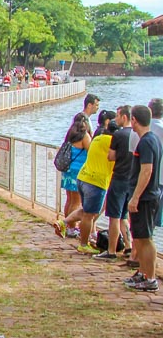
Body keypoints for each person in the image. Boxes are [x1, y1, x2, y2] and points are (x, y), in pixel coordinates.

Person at [59, 121, 115, 252]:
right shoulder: (101, 140)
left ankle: (65, 223)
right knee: (88, 213)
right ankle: (82, 242)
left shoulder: (96, 138)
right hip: (94, 180)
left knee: (79, 205)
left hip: (81, 175)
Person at [124, 105, 162, 292]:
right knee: (139, 236)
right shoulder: (151, 139)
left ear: (134, 120)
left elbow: (146, 171)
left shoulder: (147, 142)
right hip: (145, 196)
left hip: (145, 197)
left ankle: (151, 277)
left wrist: (136, 197)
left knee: (145, 237)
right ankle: (143, 272)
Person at [95, 106, 134, 261]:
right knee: (125, 215)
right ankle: (129, 246)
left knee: (114, 216)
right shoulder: (137, 135)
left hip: (119, 177)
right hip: (131, 180)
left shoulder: (118, 134)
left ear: (124, 117)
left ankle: (111, 250)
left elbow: (111, 156)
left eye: (118, 116)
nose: (115, 120)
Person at [56, 113, 91, 238]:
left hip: (68, 170)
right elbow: (91, 152)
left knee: (69, 199)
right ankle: (71, 227)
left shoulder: (70, 134)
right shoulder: (84, 136)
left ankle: (65, 225)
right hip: (78, 171)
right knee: (77, 201)